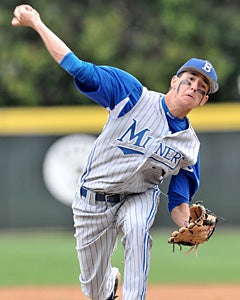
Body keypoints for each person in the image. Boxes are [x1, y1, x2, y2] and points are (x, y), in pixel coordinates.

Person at [12, 4, 219, 300]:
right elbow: (76, 66)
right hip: (91, 200)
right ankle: (108, 286)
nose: (194, 88)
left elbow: (178, 200)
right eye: (190, 80)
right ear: (174, 81)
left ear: (202, 102)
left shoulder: (190, 147)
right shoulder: (131, 95)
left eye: (202, 88)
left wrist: (187, 223)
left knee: (136, 228)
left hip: (139, 195)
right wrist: (37, 24)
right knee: (94, 290)